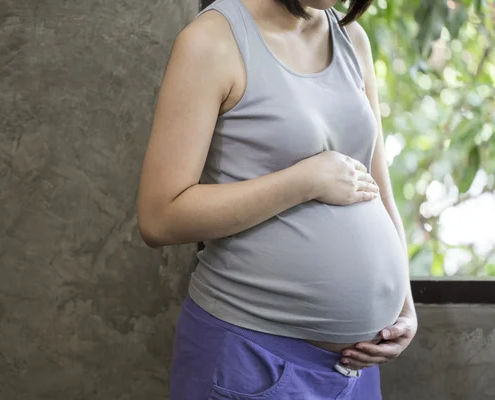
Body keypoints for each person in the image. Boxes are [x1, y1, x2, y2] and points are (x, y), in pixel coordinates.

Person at [137, 0, 418, 398]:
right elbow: (158, 217)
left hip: (355, 371)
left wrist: (404, 306)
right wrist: (302, 181)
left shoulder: (352, 38)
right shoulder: (213, 42)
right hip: (251, 356)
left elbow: (378, 191)